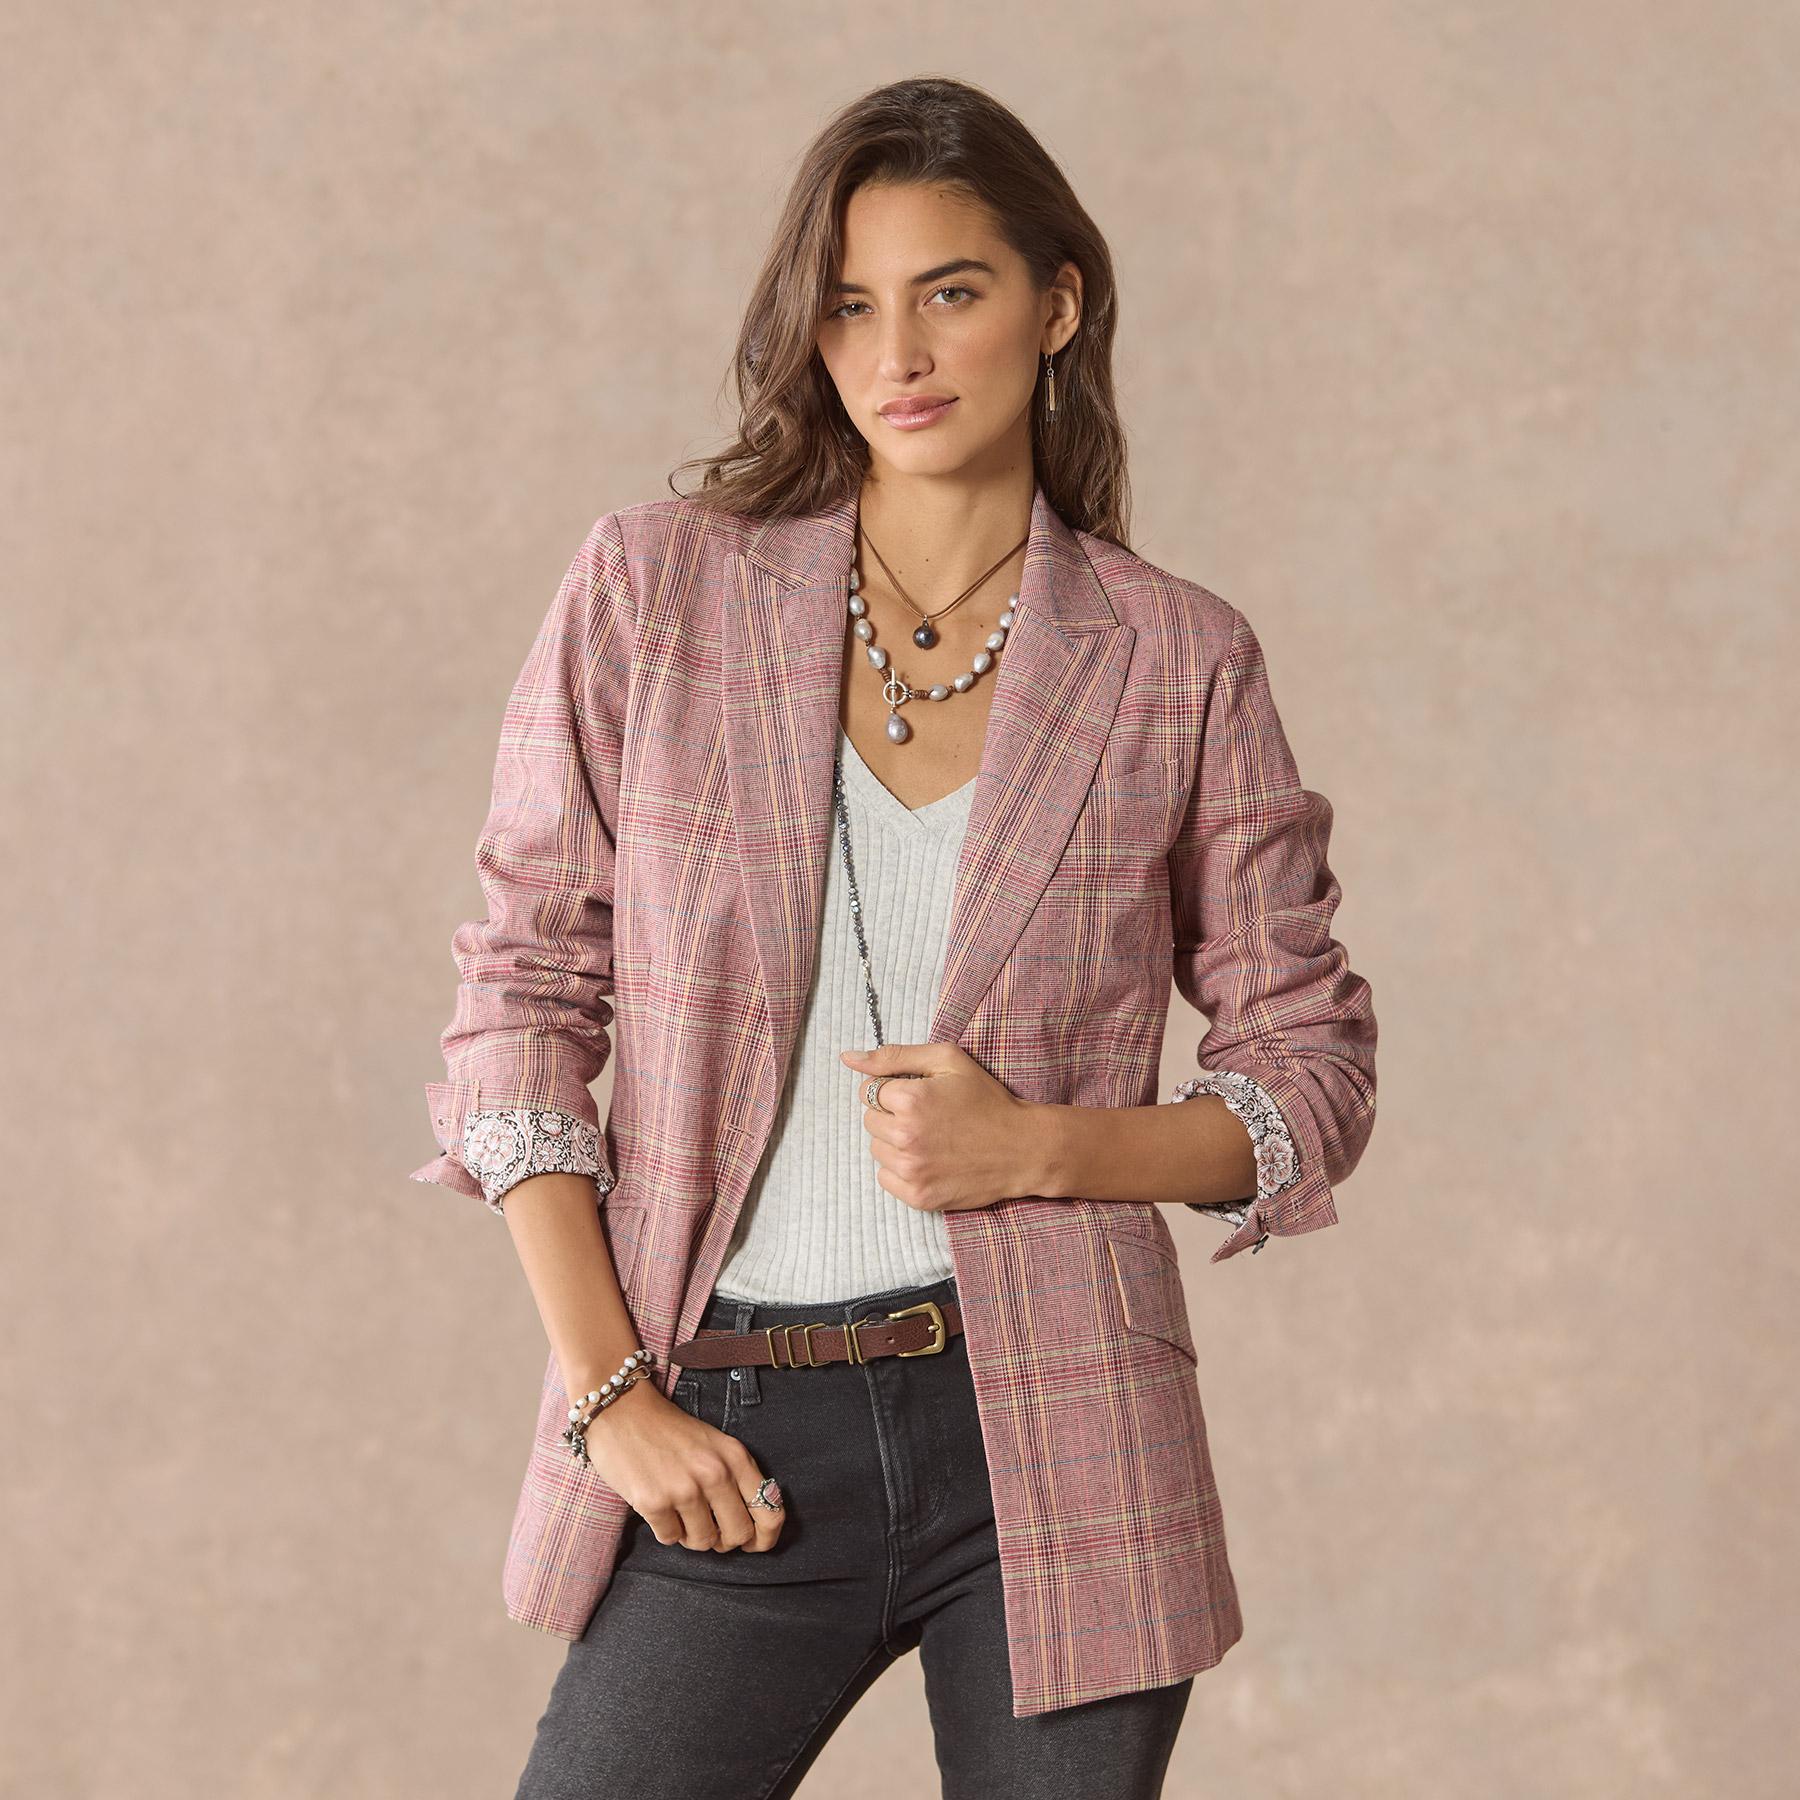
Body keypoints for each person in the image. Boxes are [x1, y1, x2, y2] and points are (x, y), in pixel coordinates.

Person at [411, 75, 1378, 1800]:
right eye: (850, 306)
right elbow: (520, 1001)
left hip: (1058, 1436)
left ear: (1056, 304)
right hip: (727, 1416)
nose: (899, 353)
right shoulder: (657, 593)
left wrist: (1043, 1147)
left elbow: (1309, 1069)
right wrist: (611, 1392)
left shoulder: (1179, 660)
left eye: (951, 291)